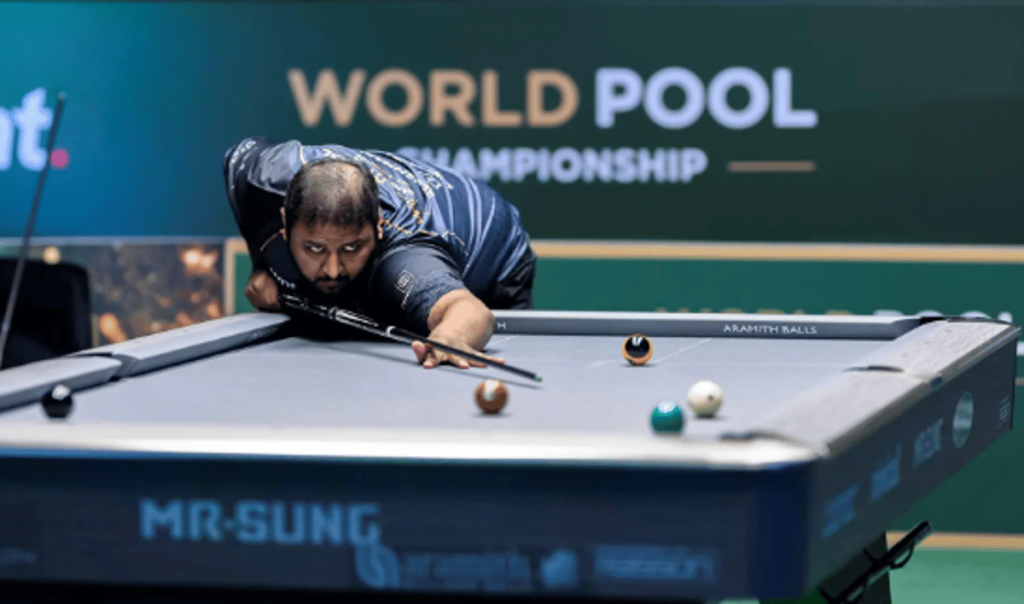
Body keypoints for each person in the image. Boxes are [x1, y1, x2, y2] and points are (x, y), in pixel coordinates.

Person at [223, 137, 536, 369]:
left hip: (495, 250)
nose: (333, 269)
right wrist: (262, 263)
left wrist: (452, 335)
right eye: (314, 248)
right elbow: (237, 155)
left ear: (379, 226)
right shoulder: (260, 178)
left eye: (352, 248)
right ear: (284, 223)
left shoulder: (405, 256)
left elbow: (471, 311)